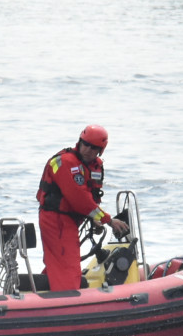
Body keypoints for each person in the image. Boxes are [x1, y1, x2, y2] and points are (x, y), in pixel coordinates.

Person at [36, 124, 129, 291]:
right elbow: (78, 198)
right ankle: (66, 302)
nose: (88, 149)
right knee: (68, 266)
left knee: (60, 261)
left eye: (94, 148)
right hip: (56, 220)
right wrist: (107, 220)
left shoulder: (95, 165)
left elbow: (91, 195)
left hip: (71, 221)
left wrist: (96, 221)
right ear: (79, 141)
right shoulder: (65, 162)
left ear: (100, 150)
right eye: (85, 144)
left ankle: (41, 294)